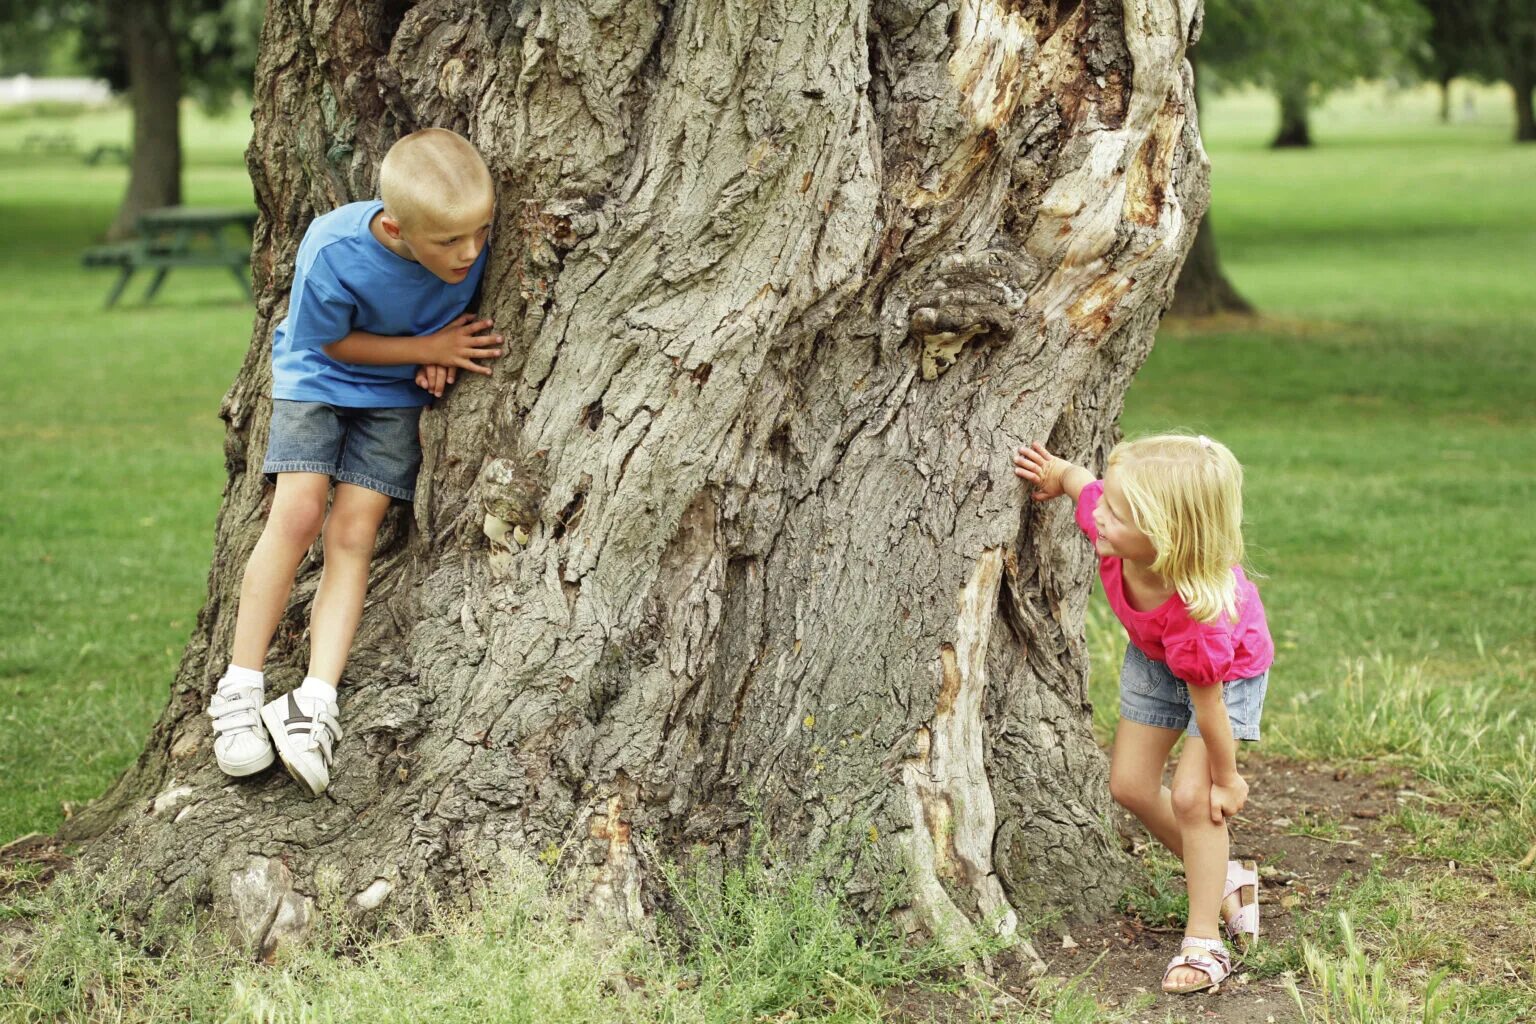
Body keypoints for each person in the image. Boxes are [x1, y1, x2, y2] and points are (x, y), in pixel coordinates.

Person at [205, 128, 503, 797]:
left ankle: (314, 701)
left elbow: (458, 303)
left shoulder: (466, 236)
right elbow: (332, 343)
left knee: (354, 531)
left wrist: (435, 352)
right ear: (397, 228)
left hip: (392, 399)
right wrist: (429, 348)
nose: (470, 253)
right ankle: (241, 688)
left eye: (481, 233)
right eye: (451, 243)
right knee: (301, 511)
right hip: (319, 378)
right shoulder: (333, 249)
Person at [1013, 433, 1273, 994]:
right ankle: (1224, 875)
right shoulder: (1111, 526)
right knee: (1130, 784)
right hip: (1155, 658)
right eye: (1104, 504)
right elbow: (1086, 486)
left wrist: (1227, 780)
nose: (1098, 513)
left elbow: (1211, 712)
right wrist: (1060, 473)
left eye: (1116, 511)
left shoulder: (1199, 618)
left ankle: (1204, 940)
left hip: (1221, 676)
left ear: (1164, 537)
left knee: (1193, 799)